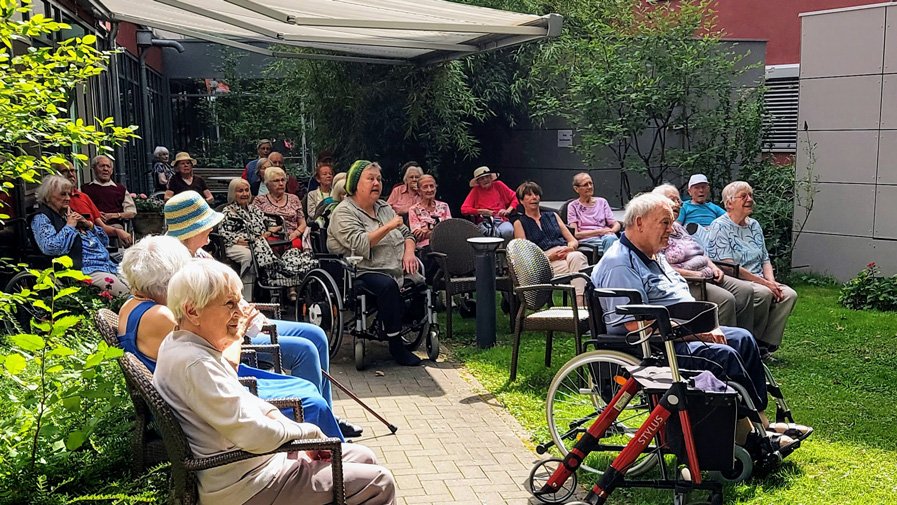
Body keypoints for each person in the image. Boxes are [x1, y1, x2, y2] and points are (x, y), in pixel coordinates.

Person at [154, 260, 395, 505]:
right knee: (378, 482)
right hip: (249, 484)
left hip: (254, 465)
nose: (241, 311)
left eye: (239, 300)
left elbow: (242, 401)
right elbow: (253, 434)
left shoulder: (180, 344)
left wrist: (289, 427)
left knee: (363, 456)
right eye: (230, 303)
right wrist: (306, 431)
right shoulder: (195, 364)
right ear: (192, 311)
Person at [590, 193, 809, 448]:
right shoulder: (620, 264)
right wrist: (697, 333)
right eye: (664, 222)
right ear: (639, 223)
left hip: (677, 333)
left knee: (743, 338)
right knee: (724, 355)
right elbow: (636, 325)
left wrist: (704, 327)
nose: (671, 230)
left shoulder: (652, 254)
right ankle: (748, 435)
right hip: (655, 345)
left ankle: (760, 420)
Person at [164, 191, 362, 438]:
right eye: (205, 228)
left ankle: (326, 414)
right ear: (191, 230)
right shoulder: (176, 266)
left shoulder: (201, 254)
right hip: (230, 330)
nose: (209, 236)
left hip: (242, 316)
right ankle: (317, 422)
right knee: (305, 350)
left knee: (317, 334)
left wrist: (245, 309)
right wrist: (241, 321)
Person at [117, 236, 343, 440]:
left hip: (202, 390)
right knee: (312, 402)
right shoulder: (161, 315)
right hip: (205, 401)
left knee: (306, 387)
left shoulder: (131, 305)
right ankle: (333, 460)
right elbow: (222, 367)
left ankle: (330, 451)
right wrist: (238, 330)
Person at [327, 160, 425, 366]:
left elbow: (406, 233)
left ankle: (400, 323)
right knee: (387, 287)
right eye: (370, 179)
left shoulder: (382, 206)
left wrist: (409, 252)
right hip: (363, 270)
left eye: (379, 179)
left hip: (397, 266)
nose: (376, 183)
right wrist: (389, 226)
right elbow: (359, 243)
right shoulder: (343, 212)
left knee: (420, 282)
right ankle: (396, 345)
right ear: (355, 183)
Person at [706, 181, 798, 355]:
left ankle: (766, 342)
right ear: (729, 203)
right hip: (737, 279)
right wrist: (765, 284)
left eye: (750, 195)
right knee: (764, 293)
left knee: (788, 295)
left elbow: (764, 258)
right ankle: (750, 341)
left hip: (759, 278)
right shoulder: (720, 226)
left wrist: (771, 282)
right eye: (744, 196)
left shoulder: (754, 225)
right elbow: (729, 266)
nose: (749, 199)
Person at [652, 184, 755, 331]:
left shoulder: (679, 227)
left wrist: (714, 267)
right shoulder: (656, 232)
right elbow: (659, 265)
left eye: (678, 201)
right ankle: (725, 344)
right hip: (691, 281)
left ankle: (747, 339)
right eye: (671, 200)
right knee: (726, 299)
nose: (677, 204)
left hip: (708, 274)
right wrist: (695, 274)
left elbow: (701, 252)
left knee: (745, 291)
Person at [220, 178, 318, 301]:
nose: (244, 194)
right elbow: (225, 233)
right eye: (240, 191)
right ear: (233, 193)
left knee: (276, 254)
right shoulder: (228, 211)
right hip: (236, 245)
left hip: (258, 242)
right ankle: (246, 298)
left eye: (246, 190)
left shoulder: (253, 209)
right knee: (249, 257)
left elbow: (269, 223)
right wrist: (244, 241)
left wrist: (271, 230)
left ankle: (276, 291)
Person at [31, 175, 129, 296]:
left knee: (138, 284)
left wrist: (89, 226)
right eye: (63, 194)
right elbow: (50, 248)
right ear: (48, 197)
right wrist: (70, 226)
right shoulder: (41, 218)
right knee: (126, 292)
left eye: (68, 194)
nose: (68, 198)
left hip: (107, 264)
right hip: (84, 269)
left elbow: (104, 241)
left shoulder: (68, 214)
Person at [513, 181, 588, 306]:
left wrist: (570, 248)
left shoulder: (552, 216)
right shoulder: (519, 223)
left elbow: (573, 240)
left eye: (536, 194)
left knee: (577, 257)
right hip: (543, 262)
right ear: (521, 201)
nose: (534, 198)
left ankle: (579, 305)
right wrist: (549, 258)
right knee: (581, 272)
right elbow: (525, 257)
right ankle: (581, 306)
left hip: (566, 254)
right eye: (529, 195)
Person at [55, 160, 132, 246]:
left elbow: (102, 227)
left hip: (96, 243)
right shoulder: (55, 200)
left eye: (73, 171)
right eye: (65, 171)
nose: (71, 174)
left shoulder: (83, 197)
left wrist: (117, 230)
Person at [408, 174, 451, 284]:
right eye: (425, 187)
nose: (429, 190)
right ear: (419, 190)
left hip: (445, 244)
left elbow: (449, 229)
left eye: (432, 186)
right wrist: (438, 231)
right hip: (425, 248)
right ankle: (439, 286)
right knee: (434, 252)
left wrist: (427, 231)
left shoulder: (444, 206)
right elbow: (417, 234)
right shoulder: (414, 209)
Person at [254, 166, 308, 251]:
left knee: (295, 246)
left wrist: (295, 234)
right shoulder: (259, 200)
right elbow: (256, 225)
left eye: (283, 180)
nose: (281, 183)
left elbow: (303, 223)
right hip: (270, 236)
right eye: (276, 181)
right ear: (267, 184)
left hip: (292, 236)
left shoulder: (294, 199)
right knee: (268, 247)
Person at [566, 172, 620, 255]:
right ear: (576, 189)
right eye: (585, 185)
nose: (590, 187)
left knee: (614, 240)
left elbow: (615, 223)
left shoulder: (602, 202)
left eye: (590, 183)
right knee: (618, 247)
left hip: (607, 237)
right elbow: (576, 234)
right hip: (589, 240)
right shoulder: (573, 206)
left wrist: (612, 230)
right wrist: (601, 231)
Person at [460, 166, 518, 239]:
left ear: (491, 178)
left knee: (508, 231)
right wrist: (480, 211)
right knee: (491, 232)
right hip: (485, 221)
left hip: (501, 219)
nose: (485, 180)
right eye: (482, 179)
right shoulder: (475, 191)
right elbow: (464, 209)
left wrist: (507, 211)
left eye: (487, 177)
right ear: (478, 182)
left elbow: (515, 197)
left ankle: (505, 250)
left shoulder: (499, 185)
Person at [81, 155, 137, 229]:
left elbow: (132, 212)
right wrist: (95, 215)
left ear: (112, 171)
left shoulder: (120, 189)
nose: (105, 169)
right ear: (94, 169)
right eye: (102, 166)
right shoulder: (84, 189)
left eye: (108, 166)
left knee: (118, 231)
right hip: (92, 226)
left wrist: (115, 215)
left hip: (114, 225)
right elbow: (79, 210)